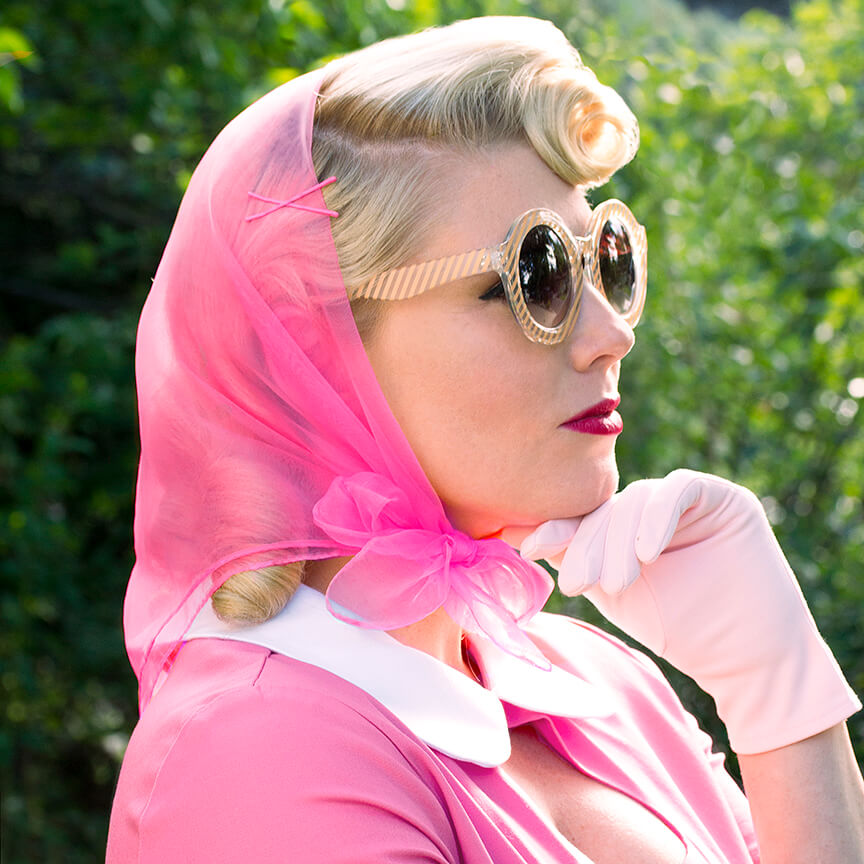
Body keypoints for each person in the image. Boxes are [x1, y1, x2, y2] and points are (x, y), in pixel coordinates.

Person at [106, 16, 864, 863]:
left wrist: (780, 698)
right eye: (533, 276)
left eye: (607, 259)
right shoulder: (250, 757)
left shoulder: (599, 682)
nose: (612, 333)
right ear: (315, 347)